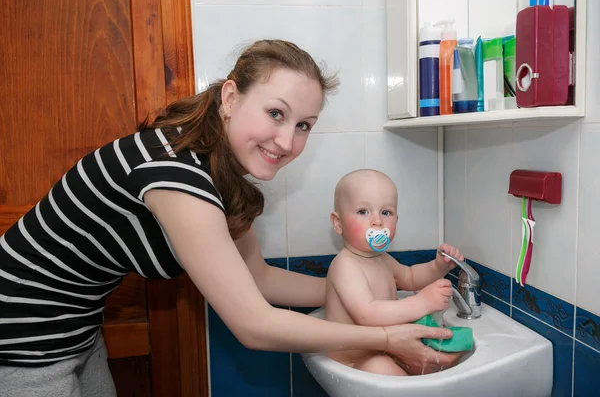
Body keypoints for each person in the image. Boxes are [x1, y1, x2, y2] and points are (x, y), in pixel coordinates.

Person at [0, 39, 462, 395]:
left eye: (303, 125)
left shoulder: (213, 170)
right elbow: (254, 324)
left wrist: (365, 293)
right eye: (275, 113)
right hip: (18, 342)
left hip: (75, 332)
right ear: (229, 96)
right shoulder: (177, 175)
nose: (286, 141)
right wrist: (385, 335)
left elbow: (259, 280)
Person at [325, 169, 464, 376]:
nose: (377, 221)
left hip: (384, 351)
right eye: (363, 211)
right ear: (338, 223)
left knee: (447, 354)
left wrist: (438, 267)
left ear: (396, 220)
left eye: (386, 212)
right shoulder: (345, 265)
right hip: (353, 363)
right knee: (383, 367)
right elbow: (367, 314)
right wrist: (422, 303)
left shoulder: (383, 260)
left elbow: (410, 277)